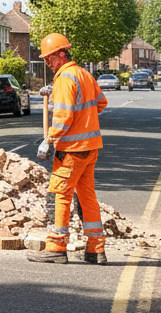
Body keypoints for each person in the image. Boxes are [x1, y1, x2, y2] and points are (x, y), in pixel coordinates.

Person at [29, 33, 109, 265]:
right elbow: (101, 103)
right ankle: (96, 249)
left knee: (58, 195)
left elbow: (63, 117)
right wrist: (56, 93)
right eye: (45, 59)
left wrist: (50, 140)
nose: (47, 63)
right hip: (90, 148)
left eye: (50, 58)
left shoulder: (64, 78)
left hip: (72, 149)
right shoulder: (84, 74)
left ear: (62, 54)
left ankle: (55, 246)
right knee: (87, 197)